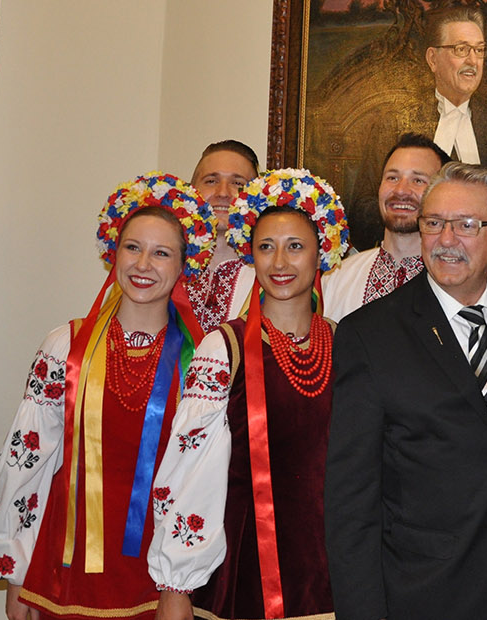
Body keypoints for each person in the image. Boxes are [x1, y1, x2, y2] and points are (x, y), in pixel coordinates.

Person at [0, 173, 216, 620]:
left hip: (161, 572)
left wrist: (182, 582)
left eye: (162, 253)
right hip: (64, 568)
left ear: (184, 265)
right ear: (113, 253)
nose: (144, 264)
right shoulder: (65, 346)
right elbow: (26, 459)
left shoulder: (203, 359)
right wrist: (16, 570)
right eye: (133, 247)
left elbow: (205, 481)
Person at [325, 162, 487, 619]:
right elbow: (350, 501)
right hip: (423, 595)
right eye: (433, 223)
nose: (446, 240)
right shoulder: (371, 335)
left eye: (467, 225)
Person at [148, 169, 351, 620]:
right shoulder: (225, 347)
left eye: (295, 246)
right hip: (247, 565)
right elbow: (189, 466)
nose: (279, 262)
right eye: (266, 247)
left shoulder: (344, 344)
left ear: (323, 252)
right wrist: (176, 584)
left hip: (330, 567)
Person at [322, 133, 449, 321]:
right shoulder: (336, 279)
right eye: (392, 177)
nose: (401, 190)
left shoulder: (455, 283)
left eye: (418, 180)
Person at [421, 7, 487, 184]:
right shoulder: (394, 124)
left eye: (479, 50)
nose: (473, 61)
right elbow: (363, 203)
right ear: (433, 59)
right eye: (461, 49)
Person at [187, 140, 262, 332]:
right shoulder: (162, 268)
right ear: (192, 191)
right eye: (211, 181)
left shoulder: (269, 277)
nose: (222, 193)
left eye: (237, 183)